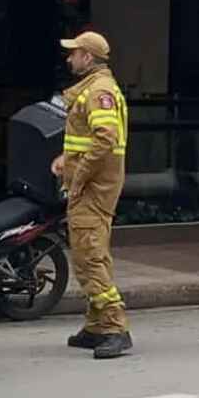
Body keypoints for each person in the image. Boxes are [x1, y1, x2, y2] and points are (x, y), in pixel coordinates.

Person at [54, 31, 132, 359]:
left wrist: (78, 176)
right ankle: (97, 325)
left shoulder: (99, 91)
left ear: (88, 57)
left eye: (74, 53)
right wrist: (66, 162)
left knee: (90, 255)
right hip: (92, 187)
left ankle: (115, 326)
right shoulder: (94, 89)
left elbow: (105, 138)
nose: (69, 58)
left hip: (92, 189)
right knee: (90, 252)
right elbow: (90, 141)